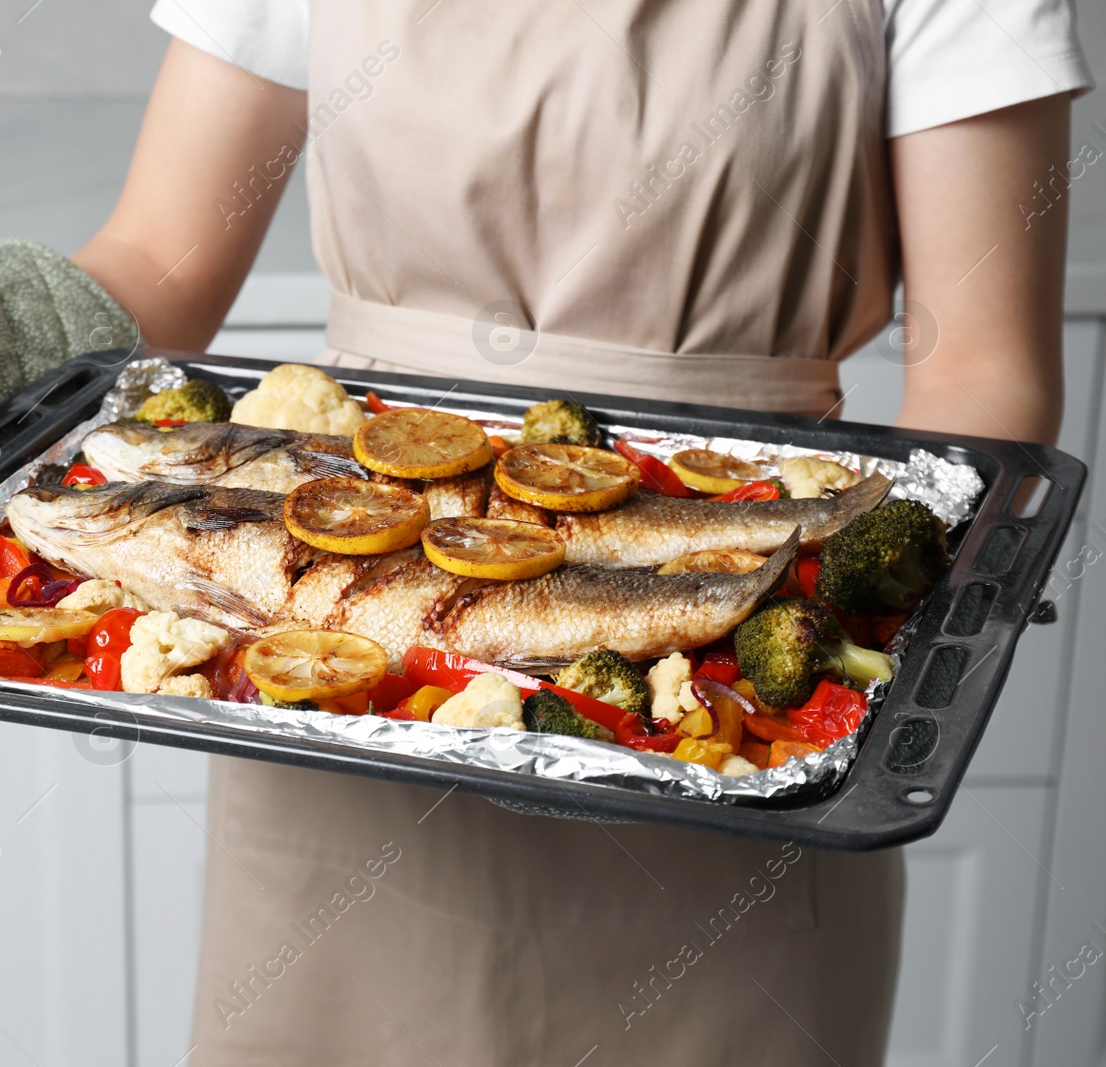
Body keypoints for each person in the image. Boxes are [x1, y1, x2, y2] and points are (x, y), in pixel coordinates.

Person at [63, 1, 1093, 1062]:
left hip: (728, 730)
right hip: (340, 671)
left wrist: (869, 593)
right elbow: (160, 254)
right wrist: (3, 359)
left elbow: (982, 369)